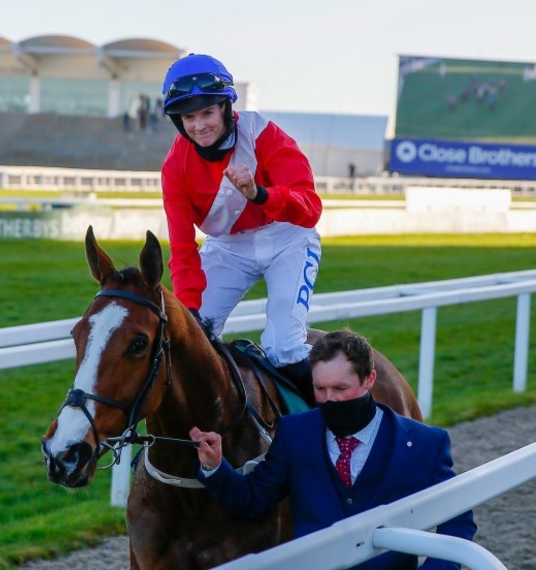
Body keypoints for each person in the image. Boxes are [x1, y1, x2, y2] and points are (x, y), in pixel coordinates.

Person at [190, 329, 476, 569]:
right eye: (320, 389)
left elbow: (458, 519)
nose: (329, 400)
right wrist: (214, 466)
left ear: (369, 380)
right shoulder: (294, 433)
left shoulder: (424, 443)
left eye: (340, 389)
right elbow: (251, 500)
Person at [160, 53, 322, 405]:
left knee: (284, 346)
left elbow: (310, 210)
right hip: (228, 248)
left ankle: (324, 429)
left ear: (225, 107)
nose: (199, 125)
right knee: (187, 340)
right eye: (189, 117)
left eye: (207, 113)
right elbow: (182, 249)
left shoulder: (265, 136)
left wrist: (259, 194)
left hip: (287, 239)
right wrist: (190, 312)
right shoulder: (175, 167)